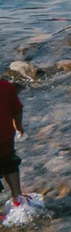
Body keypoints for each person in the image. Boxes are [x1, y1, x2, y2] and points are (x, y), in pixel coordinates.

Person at [0, 74, 23, 208]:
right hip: (4, 137)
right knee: (9, 162)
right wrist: (19, 127)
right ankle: (18, 197)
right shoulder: (7, 87)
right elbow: (17, 110)